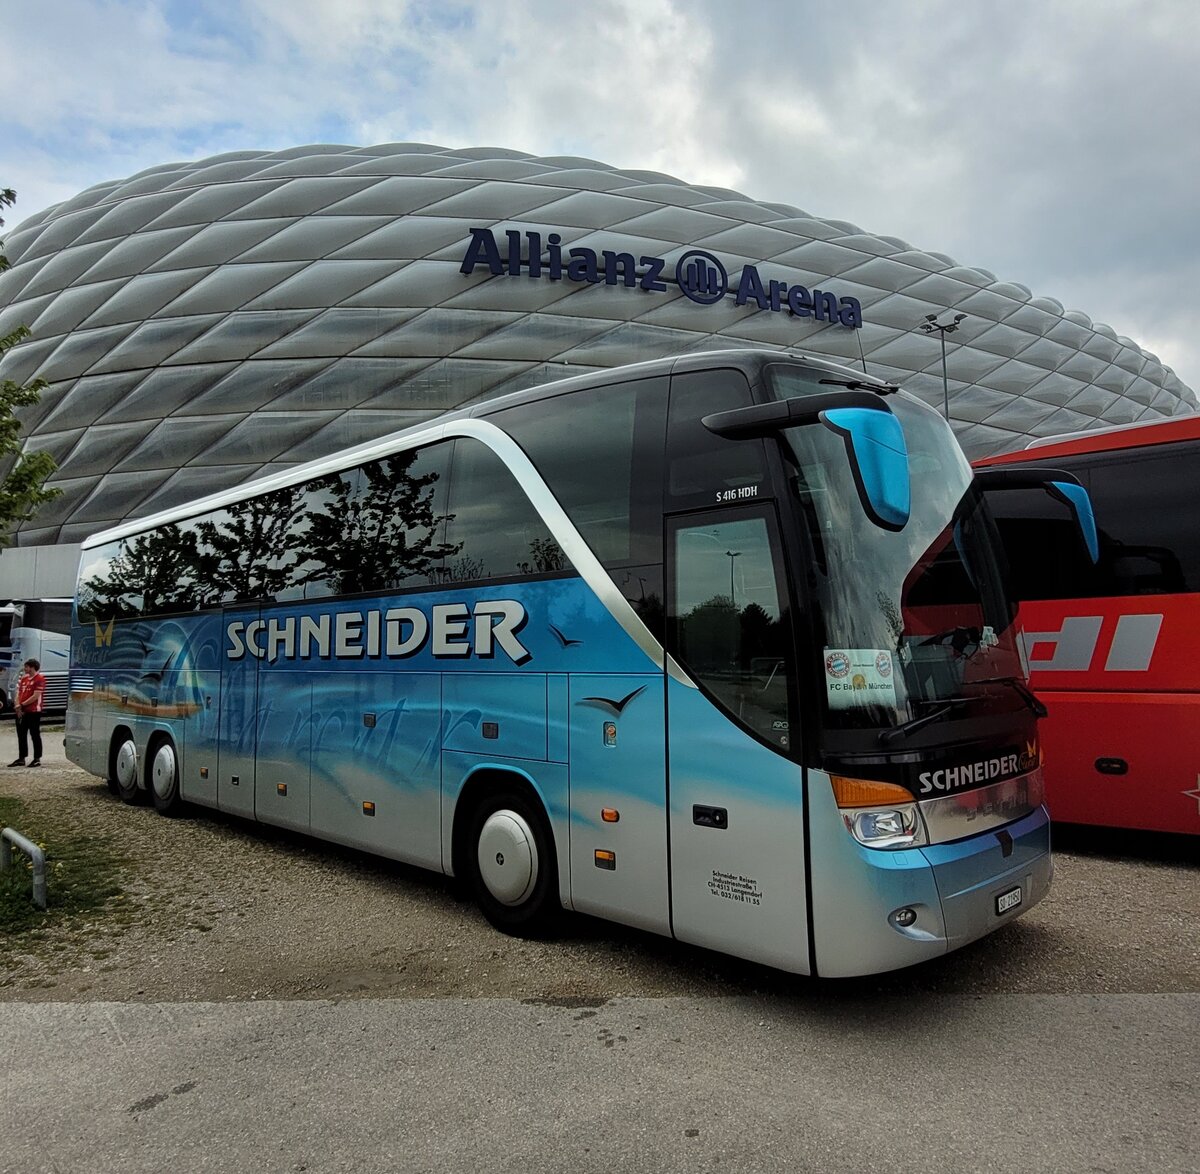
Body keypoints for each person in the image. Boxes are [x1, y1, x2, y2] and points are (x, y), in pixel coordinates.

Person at [9, 659, 46, 768]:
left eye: (26, 667)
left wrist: (23, 705)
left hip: (34, 711)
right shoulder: (24, 679)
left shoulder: (40, 679)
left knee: (35, 734)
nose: (25, 669)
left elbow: (36, 695)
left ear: (32, 667)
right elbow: (18, 693)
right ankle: (21, 758)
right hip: (22, 710)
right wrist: (17, 706)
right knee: (21, 734)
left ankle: (37, 758)